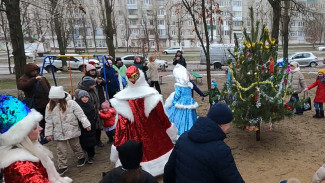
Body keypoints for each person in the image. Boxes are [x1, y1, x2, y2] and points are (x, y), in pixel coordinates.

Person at [109, 66, 178, 176]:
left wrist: (116, 146)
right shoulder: (153, 95)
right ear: (141, 77)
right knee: (160, 151)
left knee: (133, 152)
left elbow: (120, 127)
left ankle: (136, 168)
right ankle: (159, 168)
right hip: (154, 133)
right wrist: (172, 134)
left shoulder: (121, 100)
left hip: (132, 138)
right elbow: (163, 119)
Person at [164, 103, 244, 183]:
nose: (229, 127)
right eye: (228, 124)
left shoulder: (183, 137)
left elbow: (169, 169)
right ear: (222, 124)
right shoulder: (220, 150)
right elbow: (232, 179)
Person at [0, 95, 72, 183]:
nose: (40, 128)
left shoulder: (31, 149)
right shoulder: (22, 166)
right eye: (34, 128)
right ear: (22, 136)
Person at [45, 86, 91, 175]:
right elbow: (48, 120)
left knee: (75, 145)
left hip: (72, 129)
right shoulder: (49, 106)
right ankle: (63, 166)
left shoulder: (71, 103)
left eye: (56, 98)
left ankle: (81, 157)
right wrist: (48, 133)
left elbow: (80, 114)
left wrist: (86, 124)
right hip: (59, 132)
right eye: (53, 98)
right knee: (61, 150)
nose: (54, 99)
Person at [17, 63, 51, 143]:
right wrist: (34, 79)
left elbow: (48, 87)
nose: (35, 72)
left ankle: (47, 135)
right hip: (35, 104)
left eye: (36, 70)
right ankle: (39, 136)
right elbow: (21, 86)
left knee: (47, 120)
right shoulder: (23, 79)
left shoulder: (42, 78)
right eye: (33, 71)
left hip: (45, 103)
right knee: (37, 121)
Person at [165, 64, 198, 135]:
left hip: (181, 103)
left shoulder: (179, 86)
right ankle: (190, 128)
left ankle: (180, 130)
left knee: (179, 117)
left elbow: (177, 95)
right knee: (190, 116)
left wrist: (173, 103)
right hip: (190, 102)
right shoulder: (189, 85)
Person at [75, 76, 104, 147]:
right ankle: (90, 143)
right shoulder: (80, 92)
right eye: (93, 85)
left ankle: (98, 140)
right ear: (87, 86)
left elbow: (97, 98)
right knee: (89, 129)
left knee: (98, 127)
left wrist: (99, 107)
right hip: (87, 113)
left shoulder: (94, 88)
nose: (95, 85)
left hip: (96, 110)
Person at [75, 90, 97, 164]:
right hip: (82, 127)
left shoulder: (90, 104)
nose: (85, 98)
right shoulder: (77, 106)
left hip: (91, 126)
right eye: (83, 97)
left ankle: (91, 156)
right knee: (83, 142)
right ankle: (84, 152)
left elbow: (94, 114)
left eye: (86, 97)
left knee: (90, 142)